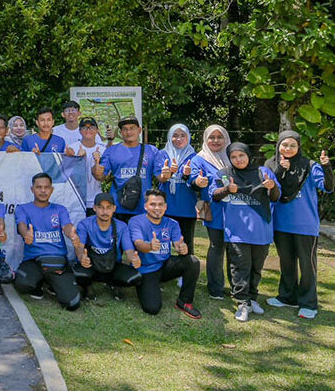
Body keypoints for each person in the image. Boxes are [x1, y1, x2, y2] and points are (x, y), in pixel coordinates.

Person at [210, 142, 281, 322]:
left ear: (248, 155)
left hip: (261, 230)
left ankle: (252, 298)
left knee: (257, 267)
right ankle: (242, 302)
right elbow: (215, 195)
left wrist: (272, 186)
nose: (238, 160)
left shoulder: (263, 173)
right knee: (240, 267)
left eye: (241, 156)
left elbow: (276, 197)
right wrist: (228, 189)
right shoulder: (225, 174)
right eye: (233, 157)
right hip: (237, 231)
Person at [268, 132, 334, 320]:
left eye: (292, 146)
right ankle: (287, 297)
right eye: (284, 145)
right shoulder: (271, 164)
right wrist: (281, 169)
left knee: (307, 266)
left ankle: (308, 303)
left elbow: (328, 187)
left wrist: (326, 166)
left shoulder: (310, 166)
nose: (287, 149)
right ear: (278, 145)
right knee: (286, 263)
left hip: (305, 225)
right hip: (281, 224)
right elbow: (268, 188)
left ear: (298, 148)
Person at [126, 189, 202, 318]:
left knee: (192, 261)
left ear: (165, 207)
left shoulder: (172, 223)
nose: (157, 208)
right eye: (152, 204)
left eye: (161, 204)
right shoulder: (136, 221)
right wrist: (149, 246)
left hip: (165, 265)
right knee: (152, 308)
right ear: (145, 206)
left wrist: (181, 248)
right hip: (146, 269)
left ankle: (184, 302)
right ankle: (145, 286)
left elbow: (179, 244)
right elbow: (138, 244)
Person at [13, 173, 83, 310]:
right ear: (32, 189)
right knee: (23, 284)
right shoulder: (23, 208)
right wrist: (26, 234)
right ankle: (38, 285)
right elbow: (21, 225)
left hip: (56, 260)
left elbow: (66, 226)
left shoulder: (59, 209)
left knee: (72, 304)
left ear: (52, 189)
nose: (43, 190)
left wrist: (72, 234)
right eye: (39, 187)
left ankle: (53, 283)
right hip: (34, 260)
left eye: (46, 187)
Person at [188, 124, 232, 299]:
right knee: (217, 246)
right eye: (211, 137)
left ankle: (237, 287)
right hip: (213, 208)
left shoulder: (232, 155)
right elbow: (192, 179)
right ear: (205, 140)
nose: (215, 141)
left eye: (219, 137)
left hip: (235, 209)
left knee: (235, 248)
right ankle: (215, 287)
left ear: (225, 139)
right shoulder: (200, 159)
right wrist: (197, 182)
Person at [72, 193, 142, 300]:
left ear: (114, 208)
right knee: (78, 274)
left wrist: (133, 258)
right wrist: (81, 257)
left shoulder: (122, 226)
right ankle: (86, 286)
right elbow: (79, 246)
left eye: (108, 208)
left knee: (134, 277)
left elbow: (129, 250)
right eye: (101, 207)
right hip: (91, 265)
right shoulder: (85, 224)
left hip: (112, 266)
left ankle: (114, 284)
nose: (105, 212)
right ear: (94, 208)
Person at [93, 116, 159, 223]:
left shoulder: (151, 150)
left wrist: (167, 172)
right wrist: (97, 171)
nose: (129, 132)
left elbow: (161, 177)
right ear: (120, 132)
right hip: (118, 208)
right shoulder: (111, 151)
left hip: (144, 208)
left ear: (139, 130)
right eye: (125, 129)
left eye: (132, 128)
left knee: (141, 240)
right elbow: (101, 176)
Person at [153, 124, 199, 254]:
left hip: (186, 209)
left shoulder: (195, 157)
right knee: (162, 246)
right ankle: (164, 272)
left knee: (186, 246)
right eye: (175, 135)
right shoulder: (162, 154)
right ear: (169, 137)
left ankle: (187, 272)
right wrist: (169, 173)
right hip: (165, 208)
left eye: (182, 135)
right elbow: (160, 178)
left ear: (188, 137)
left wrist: (187, 175)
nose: (178, 139)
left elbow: (197, 183)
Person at [70, 118, 106, 215]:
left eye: (92, 127)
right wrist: (77, 157)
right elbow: (67, 175)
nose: (88, 130)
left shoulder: (103, 150)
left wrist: (98, 163)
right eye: (84, 127)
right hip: (77, 199)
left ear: (97, 131)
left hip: (97, 199)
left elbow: (105, 178)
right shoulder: (72, 148)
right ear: (80, 131)